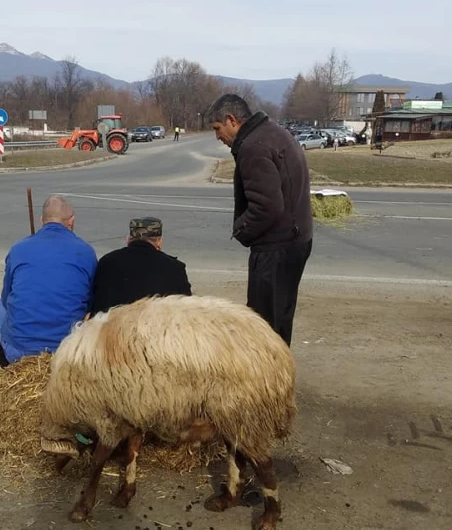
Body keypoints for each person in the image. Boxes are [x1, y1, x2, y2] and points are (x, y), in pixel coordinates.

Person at [206, 94, 313, 349]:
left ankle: (268, 384)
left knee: (263, 327)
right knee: (280, 319)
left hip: (276, 247)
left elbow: (266, 206)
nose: (217, 136)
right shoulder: (273, 132)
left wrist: (241, 230)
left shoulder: (253, 147)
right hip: (295, 239)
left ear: (231, 120)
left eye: (217, 129)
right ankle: (278, 375)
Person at [0, 194, 97, 374]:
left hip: (20, 350)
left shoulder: (18, 249)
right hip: (67, 348)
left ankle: (1, 364)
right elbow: (89, 300)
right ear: (71, 222)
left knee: (0, 307)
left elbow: (7, 298)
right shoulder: (86, 252)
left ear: (41, 221)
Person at [89, 217, 192, 316]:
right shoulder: (175, 268)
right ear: (160, 242)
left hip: (113, 329)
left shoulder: (107, 262)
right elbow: (185, 309)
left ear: (128, 239)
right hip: (155, 330)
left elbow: (95, 301)